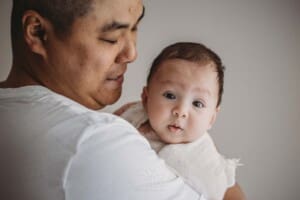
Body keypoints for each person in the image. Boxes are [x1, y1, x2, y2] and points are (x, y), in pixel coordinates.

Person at [0, 0, 244, 199]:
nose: (132, 54)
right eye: (111, 38)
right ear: (38, 32)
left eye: (135, 28)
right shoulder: (92, 139)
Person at [115, 42, 246, 200]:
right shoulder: (133, 114)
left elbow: (229, 193)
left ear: (211, 118)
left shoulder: (204, 160)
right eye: (170, 96)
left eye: (197, 104)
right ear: (145, 98)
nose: (181, 111)